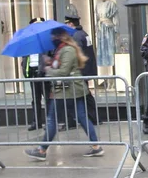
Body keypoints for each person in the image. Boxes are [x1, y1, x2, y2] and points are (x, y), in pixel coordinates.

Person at [25, 27, 104, 161]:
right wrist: (50, 62)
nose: (52, 39)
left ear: (60, 37)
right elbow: (61, 66)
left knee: (52, 120)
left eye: (54, 37)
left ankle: (42, 150)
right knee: (82, 117)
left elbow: (64, 71)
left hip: (66, 91)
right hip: (68, 90)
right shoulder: (62, 49)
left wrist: (48, 69)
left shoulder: (67, 50)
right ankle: (96, 146)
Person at [65, 13, 100, 126]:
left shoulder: (76, 36)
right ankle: (93, 118)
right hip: (85, 69)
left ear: (70, 24)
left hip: (80, 71)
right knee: (85, 94)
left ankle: (73, 121)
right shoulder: (83, 34)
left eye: (67, 24)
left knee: (79, 94)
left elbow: (76, 54)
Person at [22, 17, 52, 131]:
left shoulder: (46, 40)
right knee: (35, 99)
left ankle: (49, 122)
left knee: (48, 98)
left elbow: (51, 55)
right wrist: (24, 67)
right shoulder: (29, 40)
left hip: (44, 72)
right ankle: (36, 122)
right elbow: (25, 56)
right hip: (33, 71)